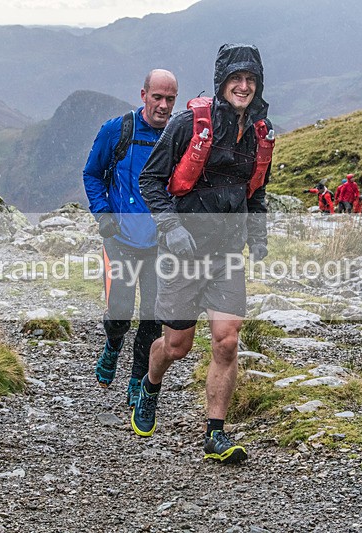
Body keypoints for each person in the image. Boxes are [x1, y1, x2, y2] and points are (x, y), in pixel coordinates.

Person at [134, 43, 273, 464]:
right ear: (222, 83)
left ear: (258, 84)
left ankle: (215, 434)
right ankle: (149, 384)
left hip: (227, 254)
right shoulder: (188, 125)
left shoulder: (261, 133)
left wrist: (258, 234)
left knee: (227, 342)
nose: (244, 86)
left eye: (250, 80)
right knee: (176, 346)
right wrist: (171, 227)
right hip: (183, 251)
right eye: (236, 79)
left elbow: (258, 190)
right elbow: (150, 180)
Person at [82, 69, 178, 408]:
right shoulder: (117, 130)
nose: (163, 106)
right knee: (121, 310)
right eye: (157, 97)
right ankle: (112, 344)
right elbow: (92, 174)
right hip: (119, 239)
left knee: (151, 317)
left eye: (170, 99)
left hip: (160, 246)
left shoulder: (177, 135)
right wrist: (104, 215)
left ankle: (138, 380)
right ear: (143, 95)